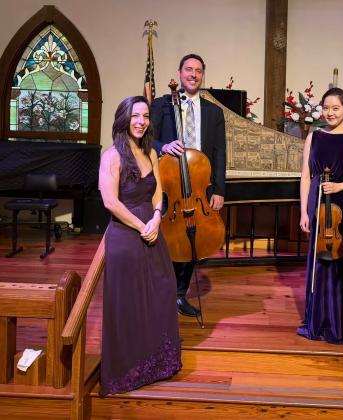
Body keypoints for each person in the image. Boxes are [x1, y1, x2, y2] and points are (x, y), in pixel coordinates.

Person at [98, 96, 182, 396]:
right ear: (124, 118)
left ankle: (156, 363)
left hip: (153, 232)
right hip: (126, 236)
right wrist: (141, 225)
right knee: (130, 303)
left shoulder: (151, 153)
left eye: (145, 116)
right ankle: (129, 370)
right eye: (135, 116)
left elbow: (158, 191)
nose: (141, 121)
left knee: (163, 290)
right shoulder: (112, 156)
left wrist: (157, 217)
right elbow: (110, 201)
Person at [151, 53, 226, 317]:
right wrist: (164, 146)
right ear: (180, 73)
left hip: (199, 187)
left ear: (203, 75)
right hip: (171, 184)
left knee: (197, 242)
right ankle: (163, 293)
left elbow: (218, 153)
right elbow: (148, 139)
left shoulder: (214, 112)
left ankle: (180, 294)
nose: (193, 74)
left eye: (198, 71)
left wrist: (218, 189)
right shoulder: (162, 105)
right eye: (188, 69)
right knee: (169, 241)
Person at [297, 87, 343, 343]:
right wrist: (303, 212)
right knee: (318, 262)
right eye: (326, 107)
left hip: (341, 204)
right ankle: (317, 319)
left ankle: (338, 321)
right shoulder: (314, 136)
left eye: (335, 108)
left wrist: (340, 186)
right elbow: (306, 176)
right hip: (317, 203)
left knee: (339, 260)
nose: (329, 113)